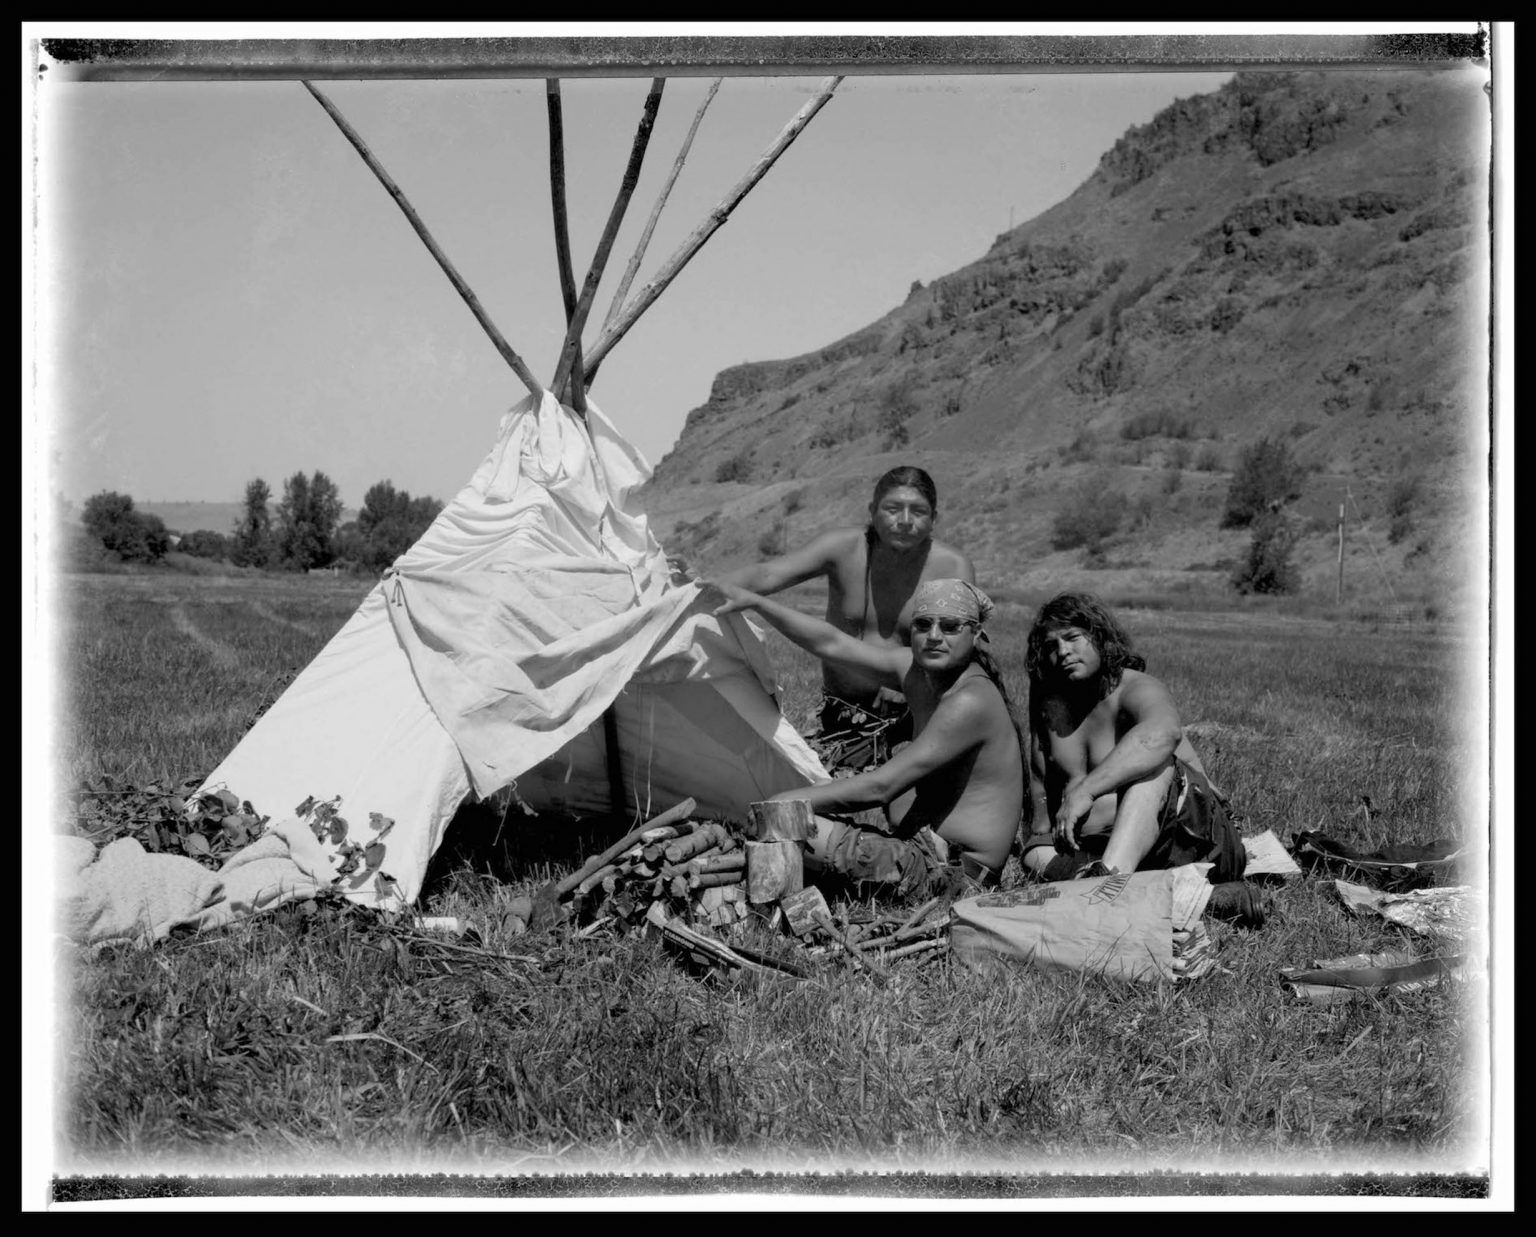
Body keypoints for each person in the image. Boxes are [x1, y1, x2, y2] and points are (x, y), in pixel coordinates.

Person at [707, 577, 1024, 898]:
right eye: (924, 624)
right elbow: (833, 644)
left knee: (782, 823)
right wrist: (757, 603)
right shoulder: (917, 671)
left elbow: (881, 787)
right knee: (786, 821)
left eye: (951, 626)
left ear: (976, 634)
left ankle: (770, 912)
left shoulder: (971, 700)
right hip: (919, 851)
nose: (934, 636)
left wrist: (782, 801)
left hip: (955, 877)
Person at [716, 466, 974, 771]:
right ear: (872, 511)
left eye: (918, 511)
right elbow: (768, 573)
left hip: (915, 718)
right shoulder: (842, 548)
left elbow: (962, 653)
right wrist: (698, 587)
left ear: (934, 519)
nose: (905, 521)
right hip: (840, 714)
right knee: (776, 772)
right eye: (892, 509)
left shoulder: (952, 568)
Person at [1019, 593, 1256, 917]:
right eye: (1051, 646)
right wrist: (1040, 839)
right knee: (1035, 853)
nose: (1062, 652)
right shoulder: (1049, 701)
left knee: (1154, 766)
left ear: (1099, 637)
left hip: (1192, 840)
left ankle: (1107, 890)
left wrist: (1086, 791)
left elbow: (1163, 733)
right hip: (1097, 848)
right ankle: (1178, 897)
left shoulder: (1136, 687)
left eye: (1073, 638)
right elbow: (1039, 776)